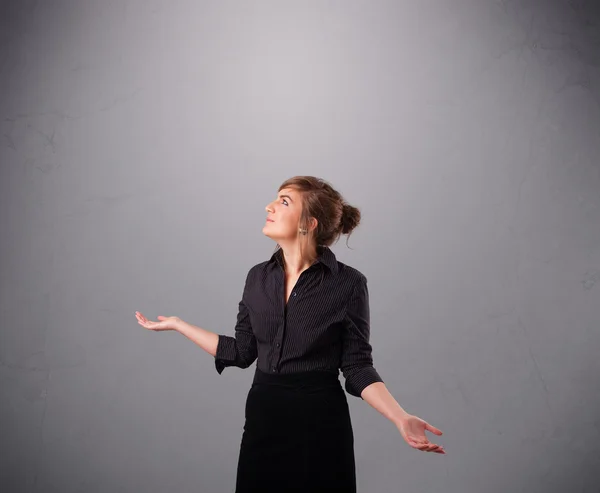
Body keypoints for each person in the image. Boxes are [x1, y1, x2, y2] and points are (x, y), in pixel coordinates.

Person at [135, 176, 445, 492]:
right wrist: (179, 324)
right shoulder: (257, 277)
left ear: (308, 223)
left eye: (284, 201)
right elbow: (242, 351)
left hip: (320, 424)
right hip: (263, 420)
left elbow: (356, 367)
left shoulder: (349, 284)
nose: (269, 206)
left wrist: (400, 417)